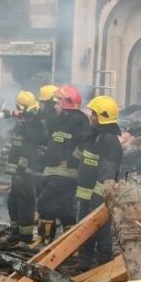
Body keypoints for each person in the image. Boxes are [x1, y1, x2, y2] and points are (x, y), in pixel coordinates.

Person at [36, 85, 90, 244]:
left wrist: (73, 160)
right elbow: (50, 130)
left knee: (45, 204)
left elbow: (86, 143)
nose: (55, 105)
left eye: (58, 102)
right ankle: (71, 246)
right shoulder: (62, 118)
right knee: (66, 210)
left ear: (67, 103)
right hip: (56, 172)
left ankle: (45, 241)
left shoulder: (78, 119)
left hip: (63, 173)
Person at [77, 96, 124, 269]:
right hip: (86, 196)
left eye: (94, 114)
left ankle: (105, 267)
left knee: (102, 233)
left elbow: (107, 175)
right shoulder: (94, 136)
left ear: (104, 117)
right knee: (85, 233)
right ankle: (84, 266)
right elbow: (82, 158)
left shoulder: (110, 141)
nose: (91, 117)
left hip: (97, 199)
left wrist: (97, 199)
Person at [1, 91, 46, 249]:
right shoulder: (25, 121)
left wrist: (22, 166)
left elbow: (34, 146)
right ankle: (15, 234)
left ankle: (25, 238)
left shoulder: (35, 123)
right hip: (17, 172)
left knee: (25, 203)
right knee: (12, 203)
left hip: (25, 172)